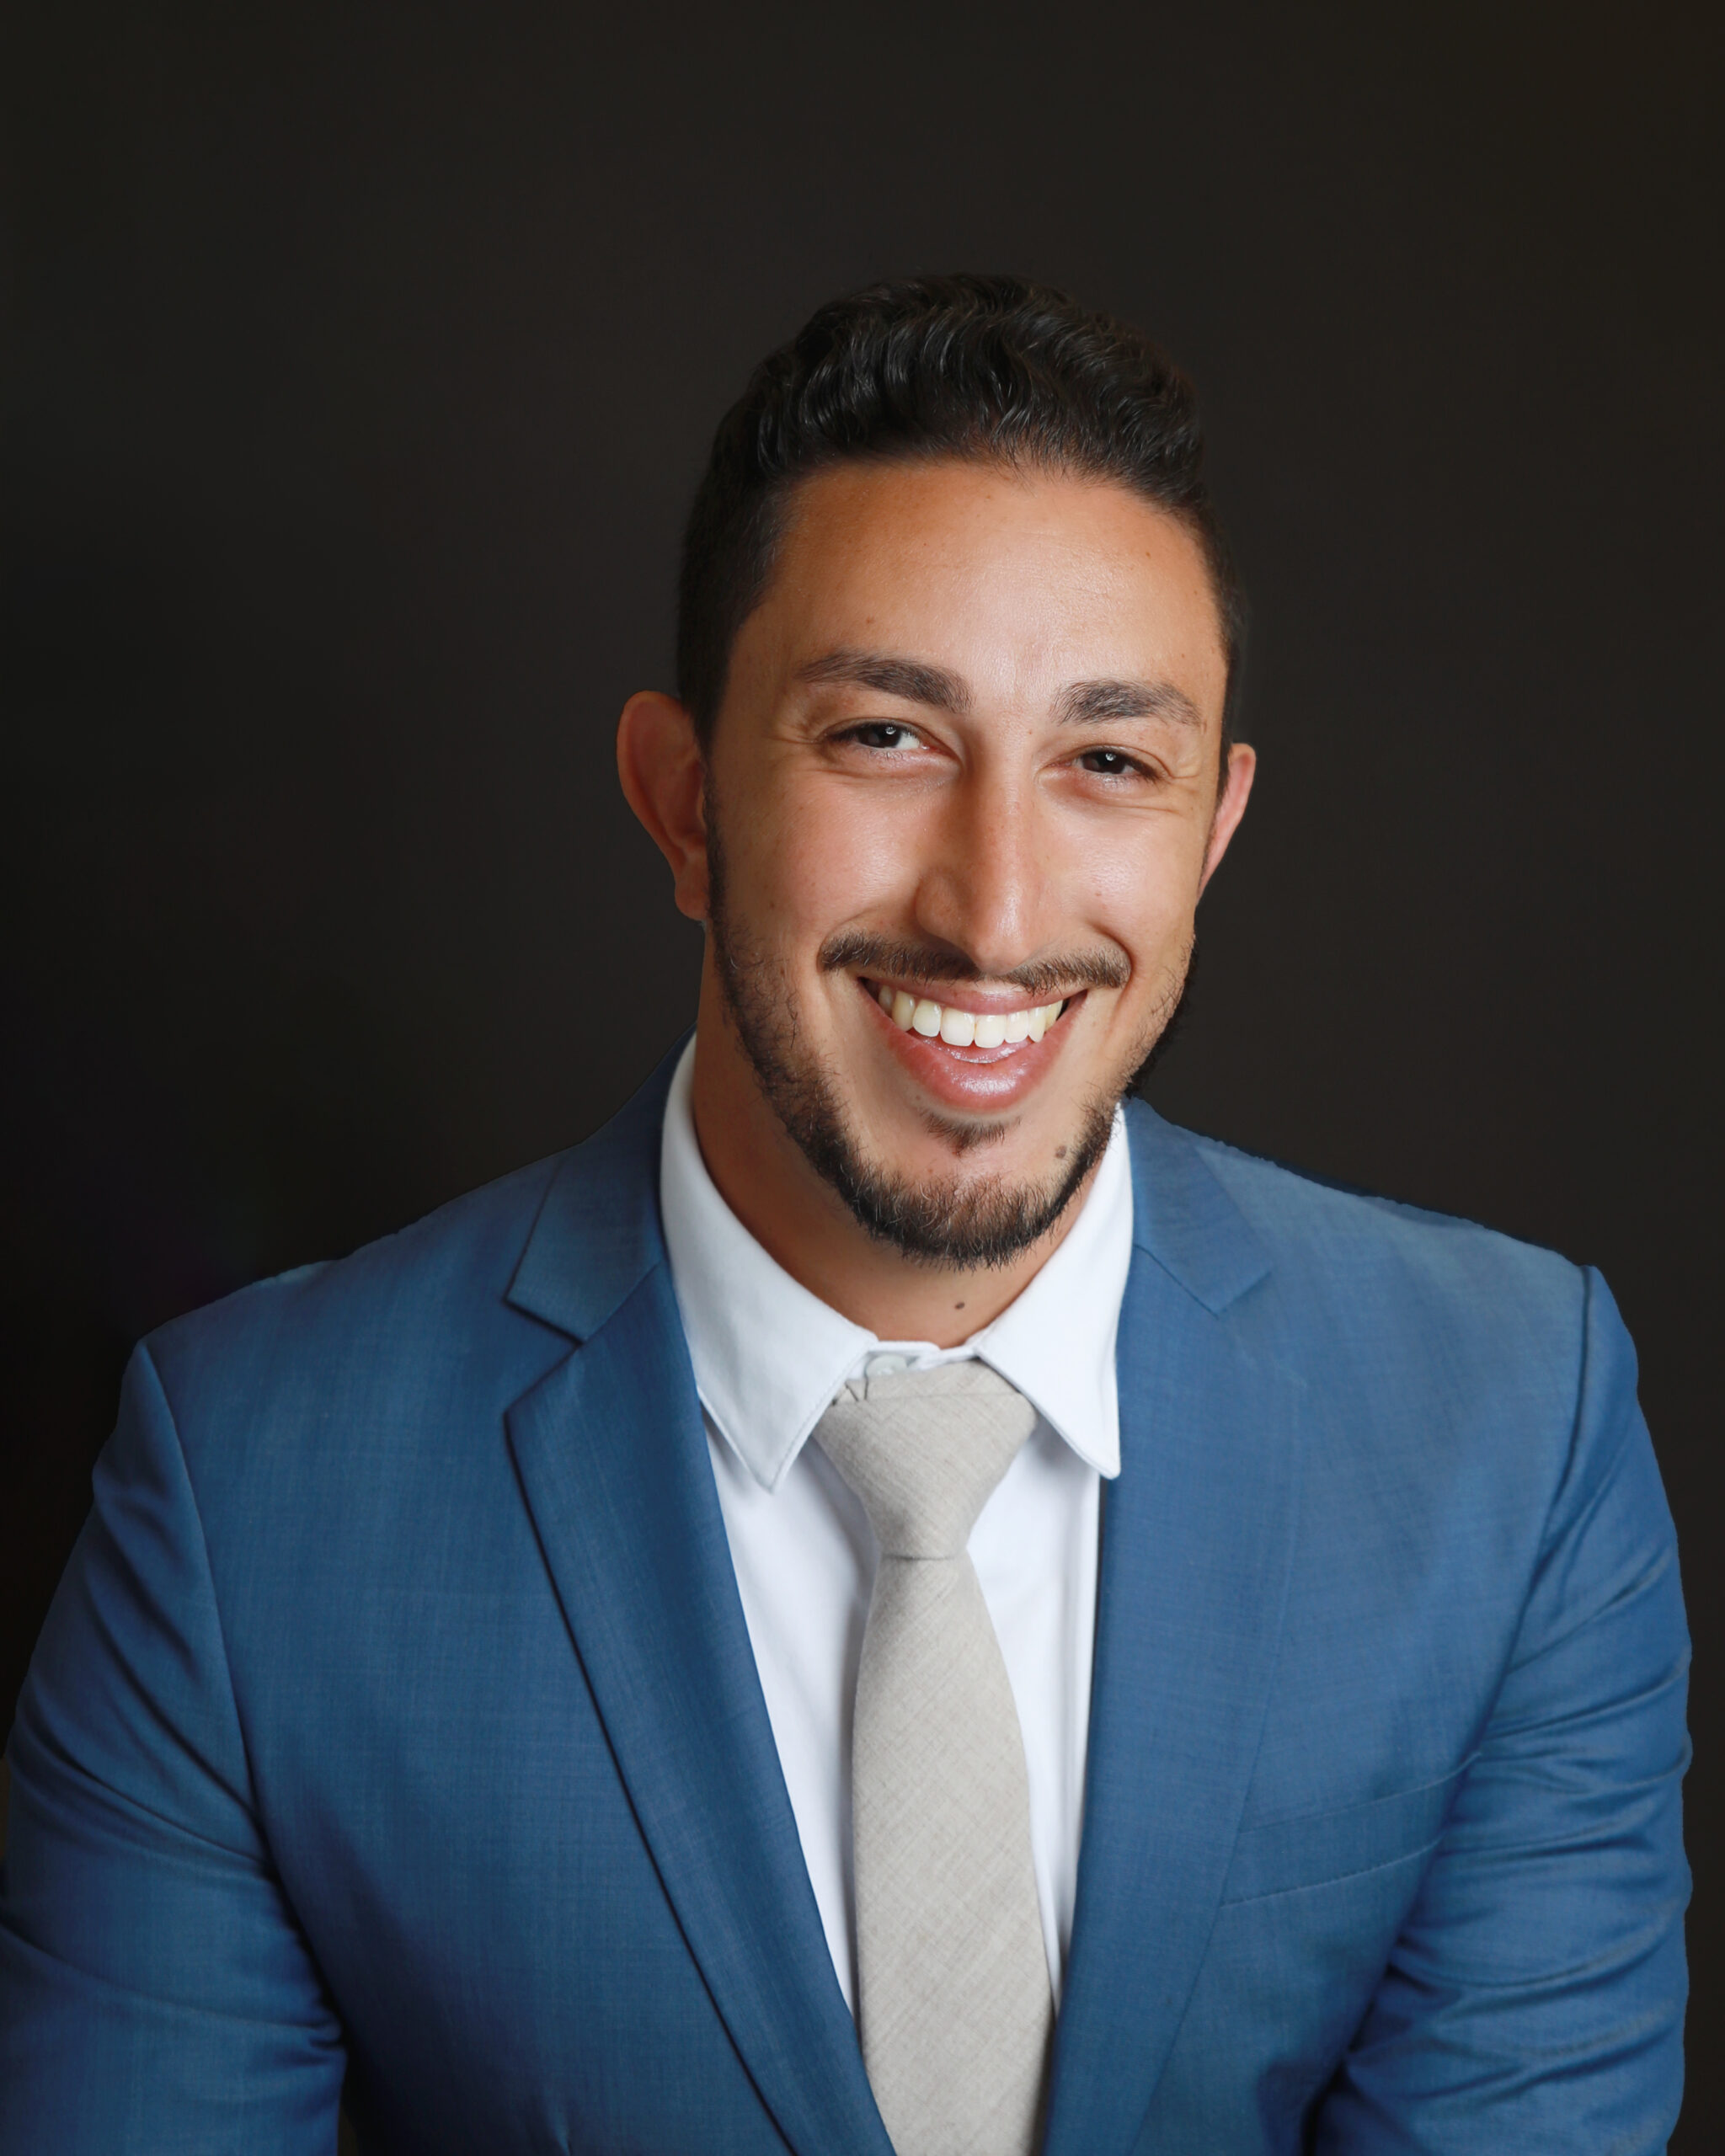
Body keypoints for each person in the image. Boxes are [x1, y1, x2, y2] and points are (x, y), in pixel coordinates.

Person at [0, 275, 1690, 2155]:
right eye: (886, 735)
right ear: (683, 802)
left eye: (1108, 762)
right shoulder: (246, 1498)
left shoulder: (1509, 1435)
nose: (995, 910)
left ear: (1211, 832)